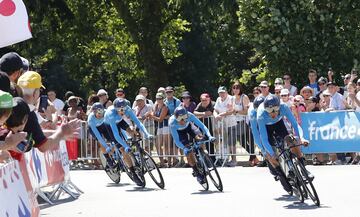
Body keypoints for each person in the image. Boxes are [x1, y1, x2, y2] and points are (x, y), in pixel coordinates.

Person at [257, 94, 312, 192]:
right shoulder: (261, 114)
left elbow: (295, 124)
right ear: (265, 110)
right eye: (269, 111)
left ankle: (304, 169)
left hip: (279, 124)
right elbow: (264, 139)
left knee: (291, 140)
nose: (272, 113)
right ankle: (283, 173)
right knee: (271, 151)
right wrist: (272, 154)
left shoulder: (284, 107)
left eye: (275, 110)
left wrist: (302, 138)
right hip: (266, 127)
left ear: (279, 107)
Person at [16, 71, 80, 153]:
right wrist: (61, 132)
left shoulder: (13, 105)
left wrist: (60, 133)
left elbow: (37, 133)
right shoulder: (29, 113)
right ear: (35, 92)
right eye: (39, 90)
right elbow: (44, 146)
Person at [169, 106, 215, 184]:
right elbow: (177, 141)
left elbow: (202, 126)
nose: (182, 121)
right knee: (188, 152)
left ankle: (203, 152)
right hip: (180, 133)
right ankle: (196, 171)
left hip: (189, 127)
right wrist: (184, 148)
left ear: (187, 115)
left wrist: (210, 136)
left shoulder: (190, 115)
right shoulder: (172, 122)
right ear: (176, 118)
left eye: (184, 117)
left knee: (200, 136)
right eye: (180, 119)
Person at [214, 86, 237, 167]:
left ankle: (234, 160)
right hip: (221, 125)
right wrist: (216, 115)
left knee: (232, 143)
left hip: (231, 123)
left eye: (223, 92)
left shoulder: (231, 98)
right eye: (220, 92)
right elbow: (215, 110)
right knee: (223, 142)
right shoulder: (218, 99)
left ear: (226, 92)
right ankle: (224, 159)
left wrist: (220, 114)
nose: (222, 94)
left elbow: (231, 111)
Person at [194, 93, 216, 162]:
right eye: (202, 100)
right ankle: (202, 159)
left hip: (213, 125)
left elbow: (211, 113)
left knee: (211, 142)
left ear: (209, 99)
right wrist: (204, 114)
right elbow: (194, 113)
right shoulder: (200, 104)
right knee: (201, 141)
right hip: (202, 126)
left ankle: (212, 159)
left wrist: (201, 114)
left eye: (205, 100)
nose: (204, 101)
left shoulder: (213, 104)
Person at [150, 92, 171, 167]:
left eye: (160, 98)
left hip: (166, 126)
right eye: (157, 99)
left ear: (163, 99)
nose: (158, 100)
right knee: (158, 144)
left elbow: (160, 119)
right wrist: (152, 115)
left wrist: (151, 116)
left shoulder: (165, 107)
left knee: (166, 144)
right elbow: (154, 114)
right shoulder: (156, 106)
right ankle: (162, 162)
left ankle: (169, 162)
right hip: (159, 127)